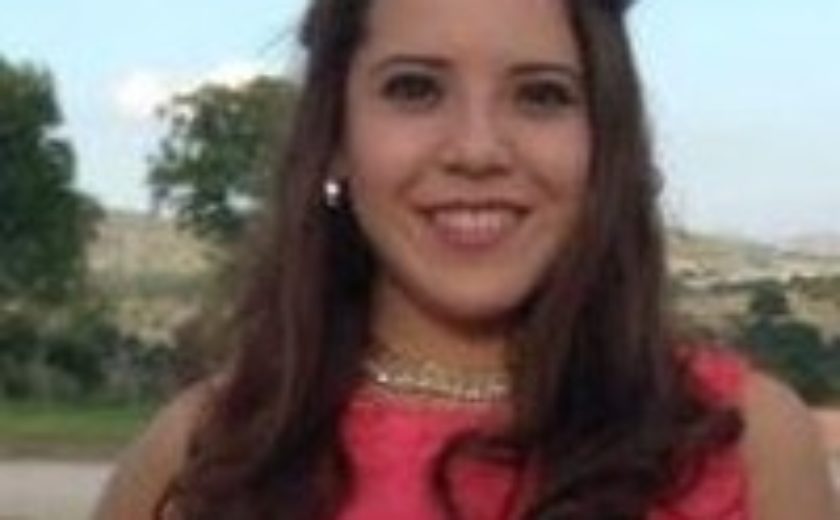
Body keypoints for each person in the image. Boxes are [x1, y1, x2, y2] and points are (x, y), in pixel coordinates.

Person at [95, 0, 839, 518]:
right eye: (415, 89)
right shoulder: (204, 455)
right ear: (336, 139)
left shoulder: (749, 445)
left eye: (541, 95)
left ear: (603, 141)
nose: (477, 150)